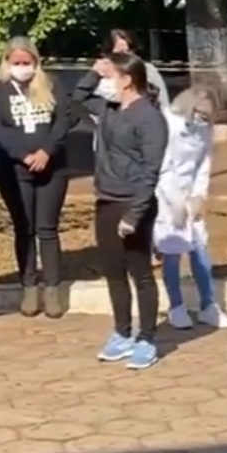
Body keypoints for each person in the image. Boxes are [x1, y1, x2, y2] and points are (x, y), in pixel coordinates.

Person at [74, 52, 170, 365]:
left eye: (110, 76)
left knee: (140, 272)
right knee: (114, 272)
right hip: (107, 200)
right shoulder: (110, 109)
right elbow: (78, 97)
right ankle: (122, 332)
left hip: (134, 203)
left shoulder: (149, 118)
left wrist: (134, 214)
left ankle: (147, 339)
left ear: (127, 80)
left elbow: (150, 171)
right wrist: (93, 72)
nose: (106, 83)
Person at [0, 37, 74, 320]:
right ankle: (29, 287)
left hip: (52, 168)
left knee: (47, 229)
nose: (23, 68)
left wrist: (46, 151)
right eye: (17, 63)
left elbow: (63, 120)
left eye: (28, 63)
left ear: (37, 62)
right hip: (14, 170)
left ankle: (52, 290)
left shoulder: (52, 85)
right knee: (24, 228)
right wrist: (22, 155)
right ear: (7, 62)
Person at [155, 86, 227, 331]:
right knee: (172, 251)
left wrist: (198, 195)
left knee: (199, 248)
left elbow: (204, 163)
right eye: (200, 115)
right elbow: (163, 166)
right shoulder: (167, 123)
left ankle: (209, 304)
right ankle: (176, 306)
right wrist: (176, 201)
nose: (203, 122)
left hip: (190, 193)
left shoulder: (204, 129)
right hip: (166, 195)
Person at [107, 29, 168, 105]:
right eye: (121, 52)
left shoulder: (147, 69)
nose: (126, 56)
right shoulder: (101, 73)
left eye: (129, 51)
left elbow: (163, 101)